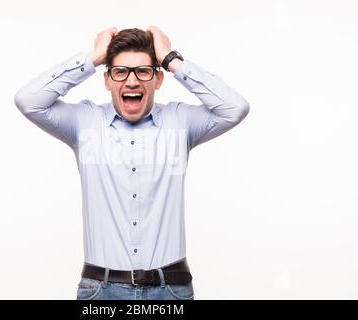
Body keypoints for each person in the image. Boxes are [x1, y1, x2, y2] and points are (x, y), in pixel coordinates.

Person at [14, 26, 250, 300]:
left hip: (170, 289)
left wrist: (172, 59)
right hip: (101, 290)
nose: (132, 81)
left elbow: (235, 108)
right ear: (107, 80)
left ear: (157, 79)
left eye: (143, 71)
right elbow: (28, 101)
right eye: (120, 71)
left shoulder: (180, 122)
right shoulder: (84, 122)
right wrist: (92, 58)